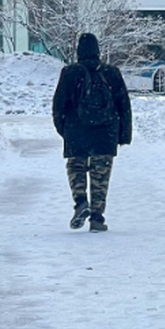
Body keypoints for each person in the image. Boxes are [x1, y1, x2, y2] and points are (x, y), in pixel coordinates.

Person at [52, 32, 132, 232]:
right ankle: (97, 217)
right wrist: (123, 135)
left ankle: (80, 202)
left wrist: (64, 130)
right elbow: (124, 105)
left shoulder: (70, 73)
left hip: (76, 130)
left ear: (79, 51)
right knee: (100, 175)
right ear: (98, 51)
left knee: (76, 168)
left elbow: (58, 105)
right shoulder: (111, 73)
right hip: (105, 132)